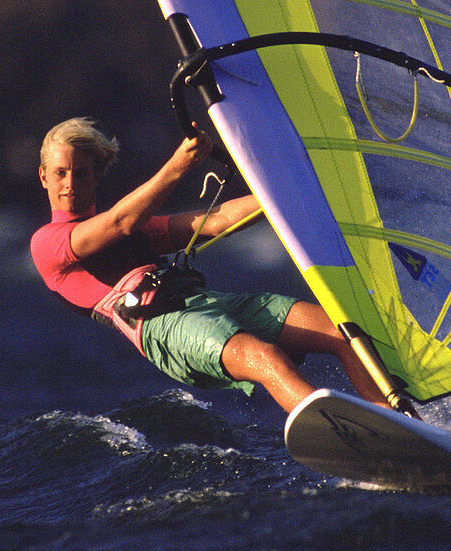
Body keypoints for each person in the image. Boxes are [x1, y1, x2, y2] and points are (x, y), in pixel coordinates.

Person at [31, 117, 392, 414]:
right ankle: (347, 436)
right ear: (44, 176)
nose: (70, 183)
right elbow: (118, 222)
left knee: (343, 331)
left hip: (204, 304)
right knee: (263, 356)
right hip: (162, 328)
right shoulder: (47, 244)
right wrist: (179, 165)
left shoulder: (138, 229)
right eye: (61, 173)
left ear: (96, 177)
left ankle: (404, 424)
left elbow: (216, 220)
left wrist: (295, 190)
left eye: (80, 173)